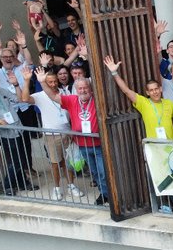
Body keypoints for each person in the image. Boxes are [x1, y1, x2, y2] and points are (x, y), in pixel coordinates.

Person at [17, 63, 81, 201]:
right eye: (50, 82)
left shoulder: (65, 92)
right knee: (55, 163)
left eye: (55, 81)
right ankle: (57, 188)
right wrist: (27, 80)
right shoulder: (40, 95)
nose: (53, 84)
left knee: (69, 161)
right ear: (45, 83)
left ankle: (71, 185)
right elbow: (25, 98)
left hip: (68, 133)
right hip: (52, 135)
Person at [60, 78, 108, 206]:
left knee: (103, 171)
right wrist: (42, 82)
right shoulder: (72, 100)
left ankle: (109, 194)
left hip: (99, 144)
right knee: (95, 172)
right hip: (83, 145)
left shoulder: (97, 98)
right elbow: (54, 97)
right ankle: (104, 194)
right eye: (80, 88)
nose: (83, 90)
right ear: (76, 90)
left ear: (90, 88)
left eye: (85, 87)